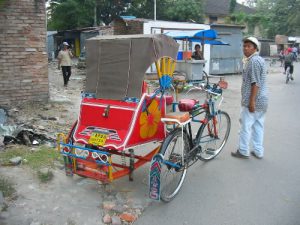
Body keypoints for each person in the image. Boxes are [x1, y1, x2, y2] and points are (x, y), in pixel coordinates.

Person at [231, 37, 268, 159]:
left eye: (249, 46)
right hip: (262, 101)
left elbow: (255, 83)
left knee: (245, 127)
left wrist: (251, 101)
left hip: (253, 101)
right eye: (244, 46)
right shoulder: (257, 60)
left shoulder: (253, 61)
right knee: (258, 126)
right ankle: (258, 151)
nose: (245, 48)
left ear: (255, 48)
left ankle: (243, 150)